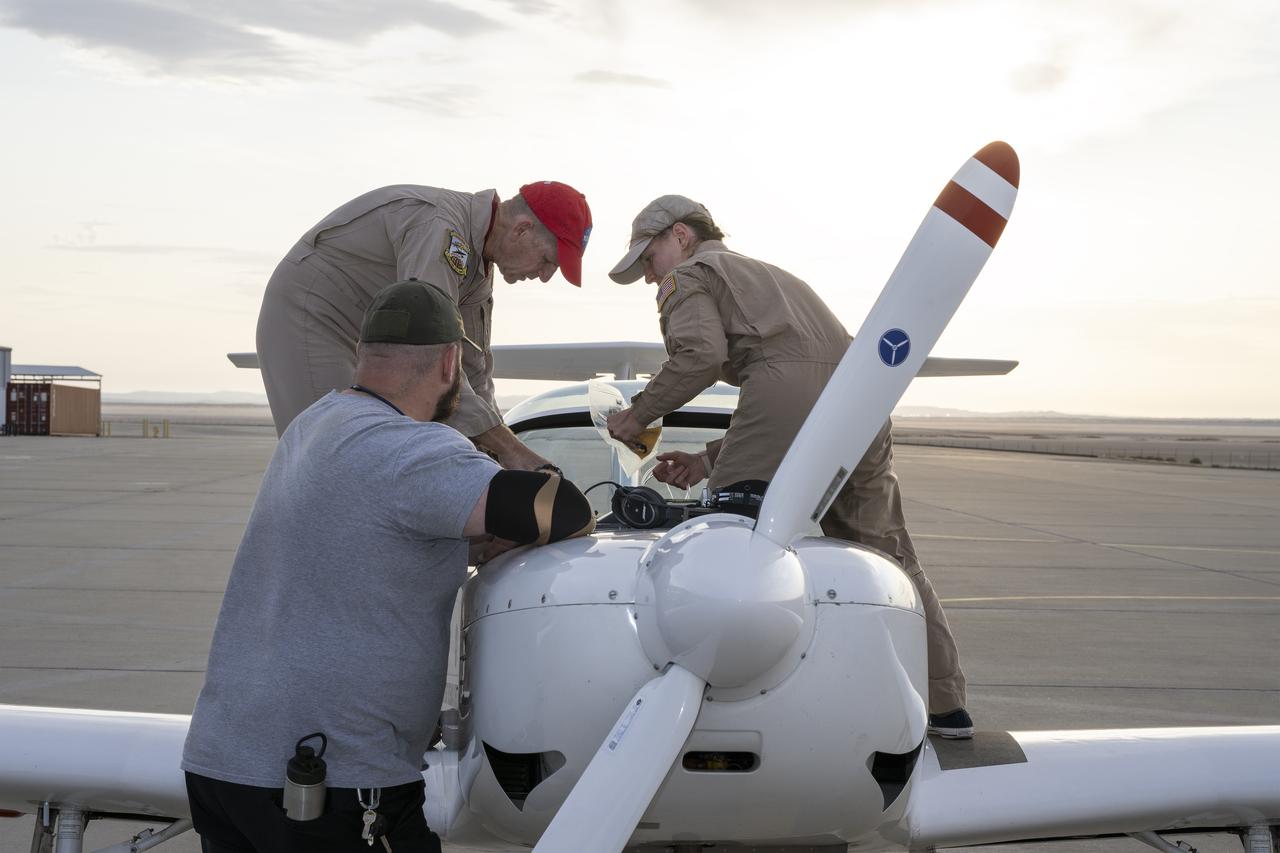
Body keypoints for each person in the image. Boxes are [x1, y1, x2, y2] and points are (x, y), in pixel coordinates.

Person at [183, 280, 595, 852]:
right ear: (451, 361)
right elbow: (564, 508)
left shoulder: (316, 424)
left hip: (226, 761)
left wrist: (461, 544)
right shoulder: (414, 450)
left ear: (363, 353)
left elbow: (362, 536)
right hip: (331, 778)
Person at [604, 195, 973, 739]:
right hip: (863, 396)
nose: (647, 277)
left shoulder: (690, 277)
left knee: (728, 540)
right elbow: (806, 390)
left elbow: (701, 357)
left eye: (648, 258)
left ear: (680, 237)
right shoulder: (772, 276)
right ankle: (947, 706)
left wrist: (636, 415)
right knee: (891, 554)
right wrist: (710, 459)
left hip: (793, 396)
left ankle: (711, 707)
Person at [255, 180, 592, 475]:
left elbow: (471, 371)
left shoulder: (478, 268)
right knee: (335, 460)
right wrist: (512, 452)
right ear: (521, 230)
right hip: (314, 317)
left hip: (375, 347)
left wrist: (498, 459)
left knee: (388, 464)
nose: (546, 276)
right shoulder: (440, 228)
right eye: (549, 261)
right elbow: (428, 358)